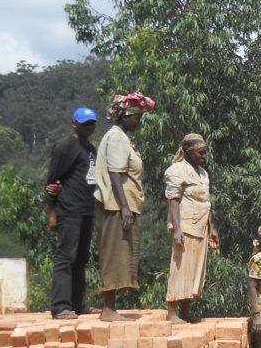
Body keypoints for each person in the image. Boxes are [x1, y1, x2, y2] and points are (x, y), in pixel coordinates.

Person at [92, 92, 155, 322]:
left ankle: (110, 307)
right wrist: (124, 207)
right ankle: (108, 309)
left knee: (121, 253)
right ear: (124, 117)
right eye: (135, 117)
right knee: (114, 253)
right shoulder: (117, 138)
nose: (138, 121)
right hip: (116, 206)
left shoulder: (123, 137)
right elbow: (115, 174)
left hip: (122, 204)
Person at [44, 107, 99, 319]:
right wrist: (52, 213)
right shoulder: (66, 146)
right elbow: (52, 179)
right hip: (69, 208)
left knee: (81, 258)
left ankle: (78, 303)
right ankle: (60, 306)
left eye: (92, 123)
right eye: (85, 123)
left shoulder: (90, 149)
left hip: (87, 209)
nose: (89, 127)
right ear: (74, 124)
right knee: (65, 257)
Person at [164, 133, 219, 323]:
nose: (203, 156)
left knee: (195, 269)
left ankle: (186, 310)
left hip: (201, 225)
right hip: (185, 225)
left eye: (205, 153)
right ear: (188, 152)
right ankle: (172, 311)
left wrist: (212, 227)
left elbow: (207, 202)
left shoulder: (203, 173)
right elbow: (173, 200)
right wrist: (177, 229)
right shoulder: (177, 170)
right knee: (180, 267)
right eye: (200, 153)